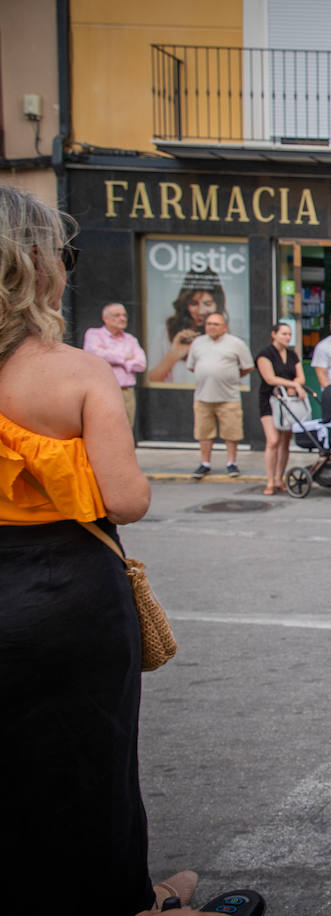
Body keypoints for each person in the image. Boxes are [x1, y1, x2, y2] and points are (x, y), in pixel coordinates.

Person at [0, 185, 214, 915]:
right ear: (37, 265)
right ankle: (130, 898)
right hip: (65, 594)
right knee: (90, 765)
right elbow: (127, 500)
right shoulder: (74, 371)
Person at [187, 312, 253, 479]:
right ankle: (205, 463)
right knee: (203, 432)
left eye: (216, 324)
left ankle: (231, 463)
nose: (211, 327)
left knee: (232, 432)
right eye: (209, 323)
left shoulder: (236, 343)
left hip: (228, 397)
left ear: (225, 327)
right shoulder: (197, 343)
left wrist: (229, 377)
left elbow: (247, 367)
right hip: (203, 396)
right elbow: (192, 366)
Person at [255, 321, 306, 495]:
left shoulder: (292, 355)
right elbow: (270, 378)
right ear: (274, 334)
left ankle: (279, 478)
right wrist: (292, 384)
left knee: (285, 441)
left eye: (289, 334)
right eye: (284, 333)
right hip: (270, 400)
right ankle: (269, 481)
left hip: (288, 402)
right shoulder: (265, 355)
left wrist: (295, 385)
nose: (287, 337)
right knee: (273, 440)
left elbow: (301, 377)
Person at [147, 270, 223, 383]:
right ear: (185, 304)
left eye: (207, 304)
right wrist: (172, 356)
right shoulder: (164, 331)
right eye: (194, 304)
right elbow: (150, 379)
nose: (201, 311)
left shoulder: (225, 336)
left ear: (217, 305)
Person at [83, 302, 147, 427]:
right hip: (102, 391)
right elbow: (95, 354)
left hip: (126, 392)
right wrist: (125, 357)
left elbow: (141, 364)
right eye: (117, 315)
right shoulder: (93, 334)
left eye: (124, 315)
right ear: (105, 318)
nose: (122, 318)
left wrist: (109, 354)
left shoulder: (131, 339)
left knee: (127, 429)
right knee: (104, 428)